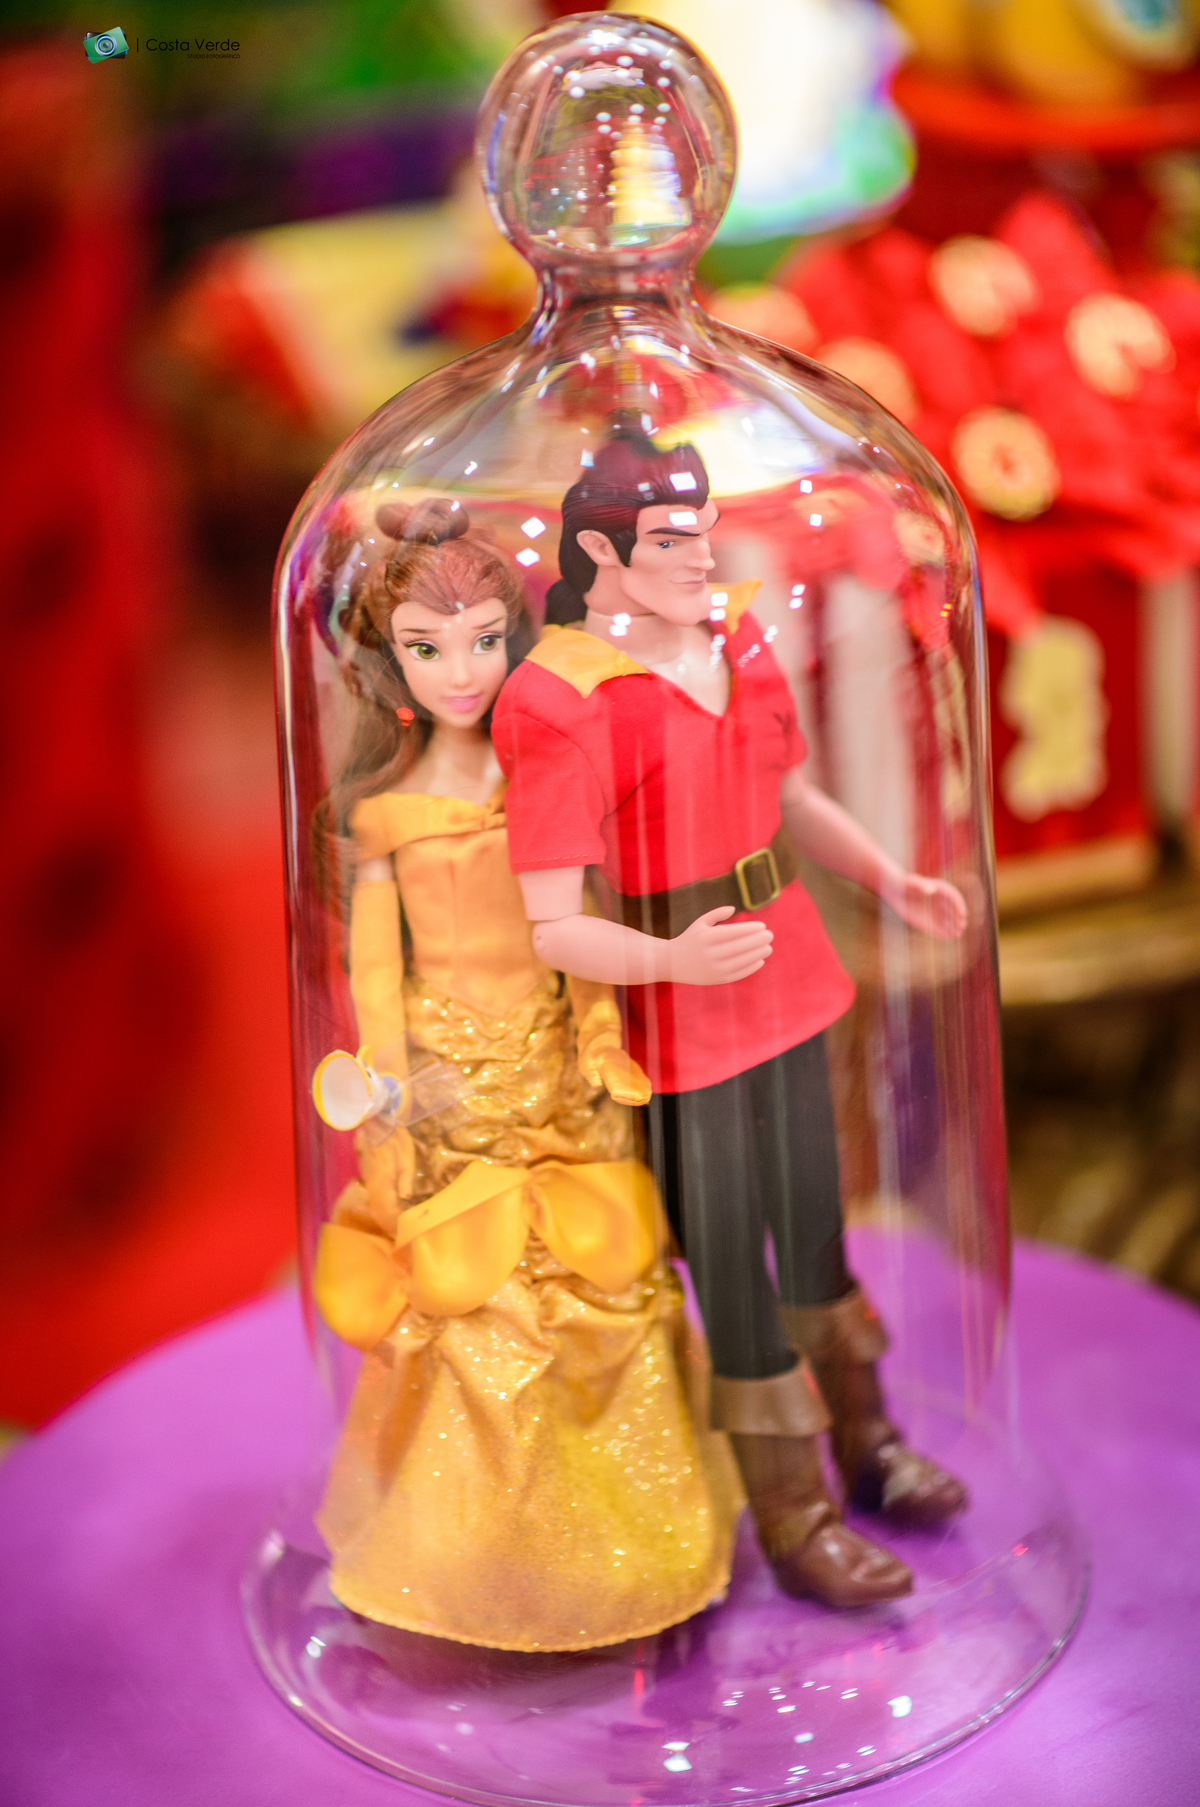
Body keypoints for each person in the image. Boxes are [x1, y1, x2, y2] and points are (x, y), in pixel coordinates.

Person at [493, 430, 968, 1611]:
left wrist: (890, 878)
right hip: (673, 1017)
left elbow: (792, 793)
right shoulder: (557, 698)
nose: (701, 555)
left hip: (786, 965)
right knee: (733, 1272)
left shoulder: (738, 636)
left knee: (816, 1229)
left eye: (702, 531)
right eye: (671, 538)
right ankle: (792, 1514)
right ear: (603, 552)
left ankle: (869, 1442)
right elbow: (552, 922)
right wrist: (670, 958)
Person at [307, 494, 738, 1652]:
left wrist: (599, 1037)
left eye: (485, 639)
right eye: (429, 647)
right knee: (471, 1298)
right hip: (449, 1077)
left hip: (557, 1066)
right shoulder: (386, 815)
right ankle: (468, 1567)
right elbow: (373, 974)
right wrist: (387, 1090)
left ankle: (631, 1552)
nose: (463, 671)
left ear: (517, 636)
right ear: (389, 660)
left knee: (602, 1280)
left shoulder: (544, 778)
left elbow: (579, 934)